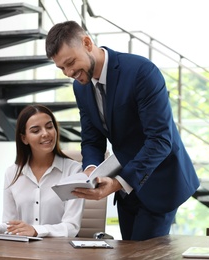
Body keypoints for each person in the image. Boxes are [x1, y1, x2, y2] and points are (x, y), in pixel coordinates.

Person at [45, 21, 200, 241]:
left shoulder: (140, 72)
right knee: (127, 251)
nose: (69, 72)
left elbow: (160, 140)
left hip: (159, 179)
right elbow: (91, 138)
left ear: (87, 43)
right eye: (61, 68)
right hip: (125, 188)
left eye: (70, 62)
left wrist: (119, 182)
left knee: (141, 255)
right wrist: (90, 169)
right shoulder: (80, 86)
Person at [0, 105, 84, 238]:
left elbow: (72, 227)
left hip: (59, 252)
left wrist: (35, 230)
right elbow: (12, 225)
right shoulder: (12, 174)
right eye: (35, 130)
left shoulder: (74, 171)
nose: (46, 133)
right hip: (23, 252)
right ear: (24, 138)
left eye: (49, 127)